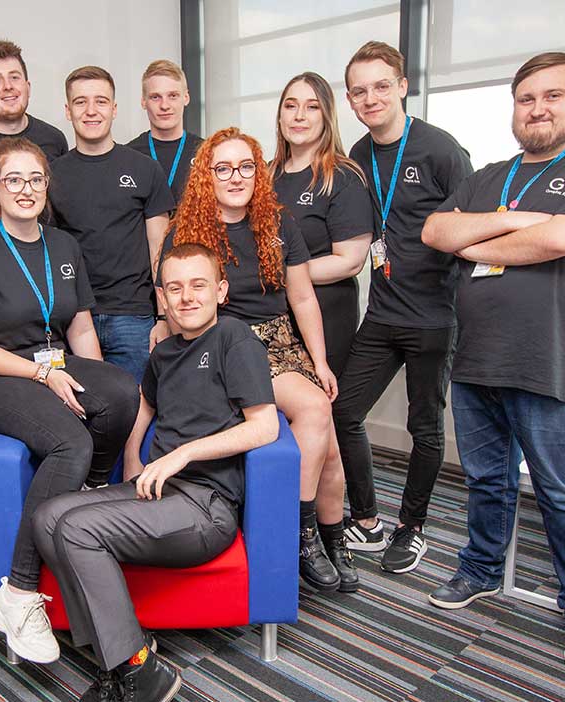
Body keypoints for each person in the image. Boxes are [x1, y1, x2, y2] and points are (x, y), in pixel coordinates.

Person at [421, 52, 565, 675]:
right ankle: (482, 569)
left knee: (563, 494)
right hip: (476, 360)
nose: (538, 109)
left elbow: (562, 239)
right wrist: (517, 222)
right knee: (485, 481)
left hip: (554, 363)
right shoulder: (490, 176)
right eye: (526, 98)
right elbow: (435, 233)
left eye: (553, 96)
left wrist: (479, 238)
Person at [33, 242, 279, 702]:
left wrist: (182, 455)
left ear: (221, 291)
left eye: (198, 285)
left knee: (77, 530)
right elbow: (145, 404)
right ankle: (126, 654)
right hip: (158, 492)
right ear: (162, 297)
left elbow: (265, 427)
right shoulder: (164, 352)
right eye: (175, 288)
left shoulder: (234, 338)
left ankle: (137, 669)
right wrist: (133, 456)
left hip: (205, 507)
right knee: (47, 518)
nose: (187, 297)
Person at [0, 137, 139, 665]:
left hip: (53, 361)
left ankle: (87, 497)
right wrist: (42, 374)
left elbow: (80, 327)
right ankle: (18, 592)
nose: (26, 189)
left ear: (46, 185)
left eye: (35, 179)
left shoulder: (63, 245)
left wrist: (98, 385)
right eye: (14, 180)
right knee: (71, 442)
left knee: (123, 392)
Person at [160, 127, 351, 594]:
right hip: (225, 346)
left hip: (282, 341)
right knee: (315, 409)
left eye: (246, 166)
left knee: (331, 453)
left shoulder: (279, 223)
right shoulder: (184, 231)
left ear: (258, 173)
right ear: (207, 176)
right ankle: (301, 534)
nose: (236, 176)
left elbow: (301, 297)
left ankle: (332, 540)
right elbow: (172, 299)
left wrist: (320, 362)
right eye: (223, 168)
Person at [333, 41, 475, 574]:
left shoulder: (440, 150)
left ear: (402, 87)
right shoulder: (358, 154)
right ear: (350, 99)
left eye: (380, 86)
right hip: (382, 312)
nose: (370, 98)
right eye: (359, 91)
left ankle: (411, 528)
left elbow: (472, 226)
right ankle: (367, 519)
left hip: (435, 316)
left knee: (425, 428)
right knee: (343, 411)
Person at [49, 66, 174, 382]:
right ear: (68, 110)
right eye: (81, 102)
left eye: (101, 101)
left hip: (133, 316)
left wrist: (163, 317)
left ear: (114, 109)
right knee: (81, 406)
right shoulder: (51, 176)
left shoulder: (145, 169)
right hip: (73, 316)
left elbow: (159, 247)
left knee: (136, 405)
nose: (91, 111)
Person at [271, 71, 373, 379]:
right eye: (290, 106)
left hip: (326, 316)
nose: (299, 115)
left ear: (326, 116)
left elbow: (350, 261)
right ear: (280, 116)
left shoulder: (342, 177)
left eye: (312, 107)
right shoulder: (264, 175)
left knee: (321, 403)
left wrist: (278, 273)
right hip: (272, 317)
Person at [125, 60, 203, 205]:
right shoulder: (128, 155)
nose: (164, 106)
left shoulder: (206, 152)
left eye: (173, 96)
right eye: (155, 97)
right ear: (143, 102)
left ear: (186, 98)